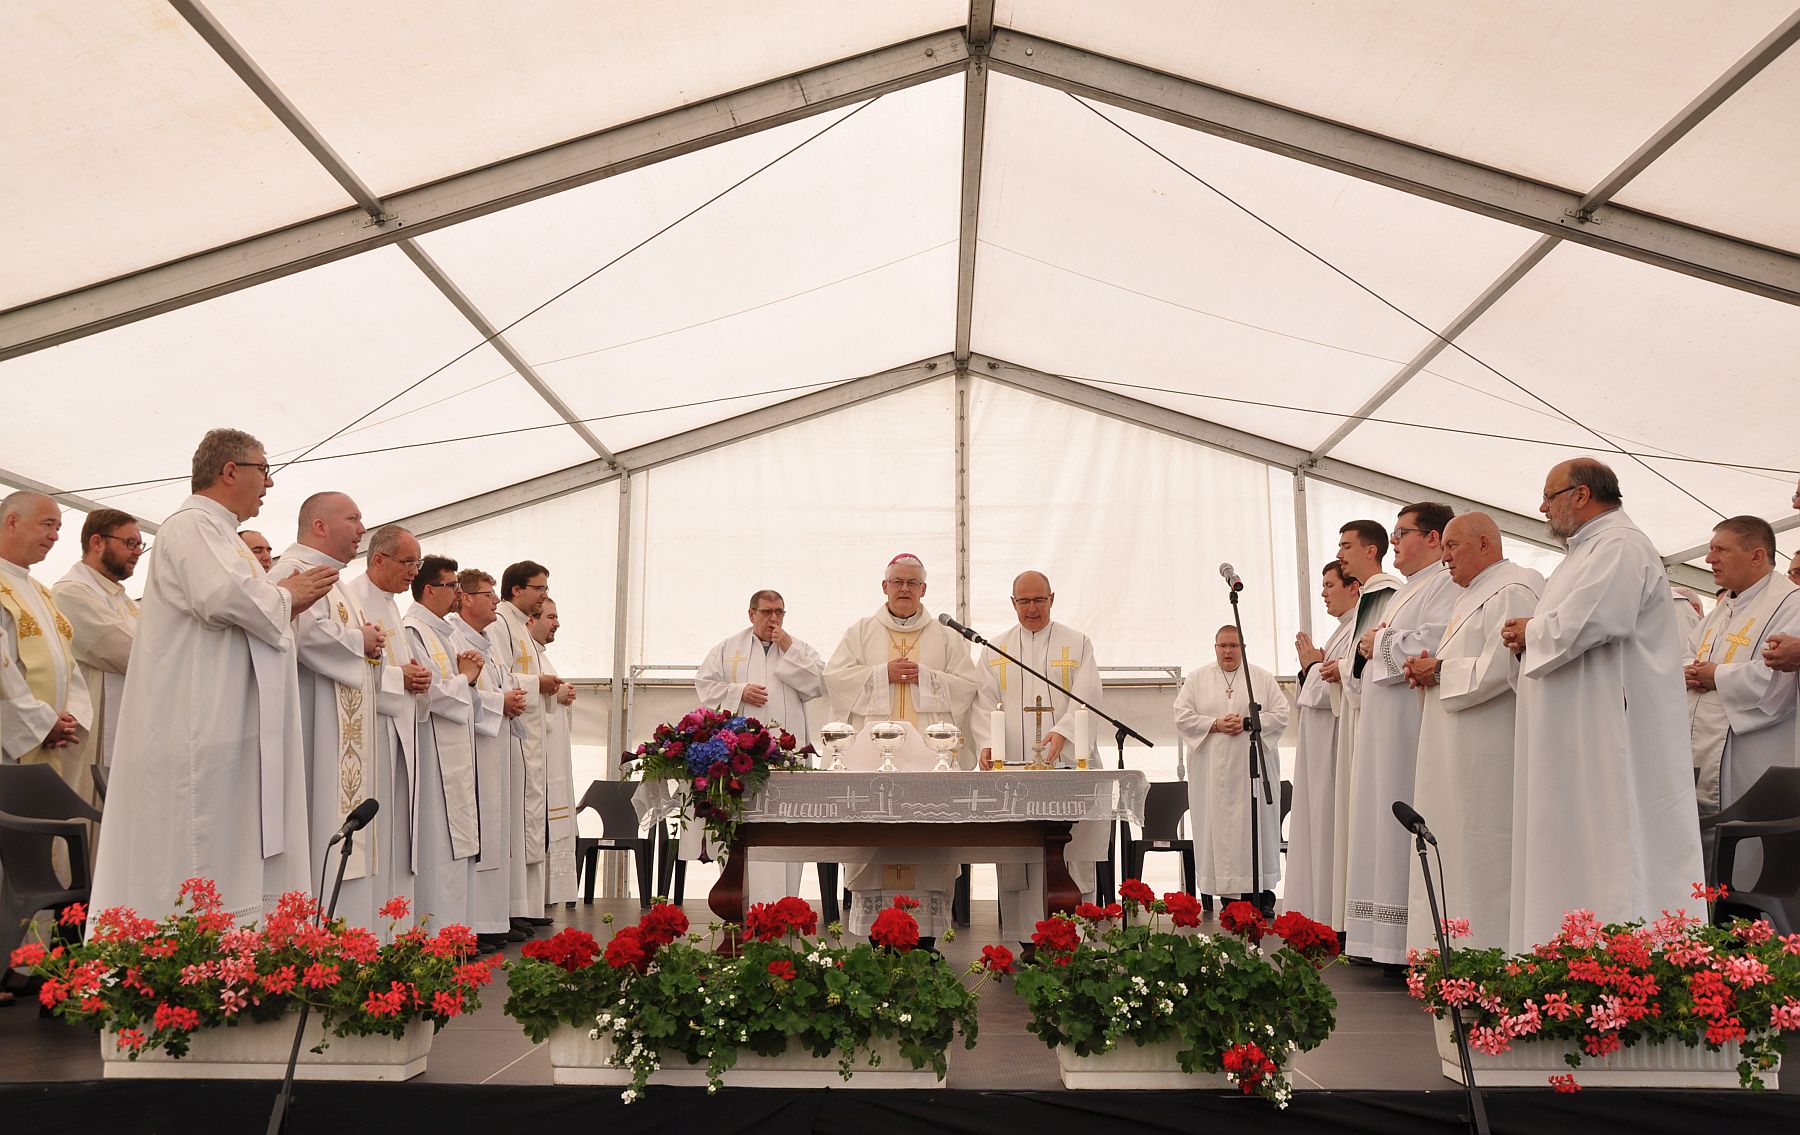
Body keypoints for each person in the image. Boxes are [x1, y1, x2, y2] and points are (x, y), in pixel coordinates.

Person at [89, 429, 334, 920]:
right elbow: (219, 598)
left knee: (227, 841)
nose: (268, 484)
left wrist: (280, 595)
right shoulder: (192, 525)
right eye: (264, 471)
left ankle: (234, 952)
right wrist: (289, 594)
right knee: (198, 841)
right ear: (230, 472)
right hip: (196, 717)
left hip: (224, 715)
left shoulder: (223, 533)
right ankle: (197, 953)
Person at [1502, 458, 1704, 951]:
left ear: (1581, 495)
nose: (1542, 507)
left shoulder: (1620, 544)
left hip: (1611, 725)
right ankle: (1567, 950)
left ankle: (1620, 954)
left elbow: (1598, 618)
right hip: (1577, 723)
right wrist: (1530, 633)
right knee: (1573, 836)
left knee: (1614, 837)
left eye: (1549, 496)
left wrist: (1532, 630)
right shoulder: (1583, 551)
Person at [1404, 514, 1543, 951]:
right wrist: (1428, 671)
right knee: (1458, 846)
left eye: (1452, 546)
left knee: (1486, 853)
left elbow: (1506, 666)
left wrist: (1440, 670)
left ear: (1485, 544)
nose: (1444, 557)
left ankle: (1490, 954)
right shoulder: (1471, 595)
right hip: (1456, 751)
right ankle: (1456, 956)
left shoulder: (1514, 589)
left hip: (1491, 748)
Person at [824, 554, 979, 943]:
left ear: (924, 589)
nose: (905, 589)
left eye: (913, 583)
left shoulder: (946, 636)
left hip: (930, 762)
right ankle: (876, 941)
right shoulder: (860, 631)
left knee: (928, 849)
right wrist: (882, 674)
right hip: (872, 764)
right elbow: (835, 680)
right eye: (898, 582)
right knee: (874, 846)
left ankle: (927, 943)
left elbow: (968, 687)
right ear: (885, 587)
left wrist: (924, 678)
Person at [270, 493, 398, 933]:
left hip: (343, 724)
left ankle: (352, 936)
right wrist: (357, 641)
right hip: (314, 723)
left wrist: (369, 644)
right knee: (319, 819)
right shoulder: (290, 572)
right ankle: (318, 936)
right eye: (353, 518)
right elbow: (303, 638)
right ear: (320, 525)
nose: (362, 528)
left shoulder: (337, 582)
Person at [1344, 503, 1458, 965]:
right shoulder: (1406, 591)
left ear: (1433, 538)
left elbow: (1437, 641)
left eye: (1402, 533)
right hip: (1382, 725)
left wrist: (1379, 643)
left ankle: (1403, 944)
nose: (1393, 542)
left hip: (1407, 727)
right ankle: (1379, 942)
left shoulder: (1446, 584)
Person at [971, 571, 1108, 943]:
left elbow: (1088, 695)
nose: (1032, 608)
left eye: (1039, 600)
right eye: (1024, 601)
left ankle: (1074, 933)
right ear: (1012, 603)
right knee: (1020, 853)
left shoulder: (1077, 643)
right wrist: (986, 742)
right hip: (1014, 769)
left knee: (1070, 851)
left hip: (1065, 767)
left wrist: (1064, 731)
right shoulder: (995, 648)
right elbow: (982, 702)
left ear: (1052, 598)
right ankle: (1025, 937)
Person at [1685, 517, 1800, 881]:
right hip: (1701, 743)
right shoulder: (1722, 607)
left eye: (1721, 550)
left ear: (1757, 555)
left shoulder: (1789, 603)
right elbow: (1689, 654)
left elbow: (1776, 679)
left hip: (1750, 752)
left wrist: (1715, 675)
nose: (1709, 559)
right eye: (1710, 549)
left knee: (1743, 858)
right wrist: (1689, 671)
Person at [694, 589, 826, 902]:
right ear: (751, 614)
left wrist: (787, 649)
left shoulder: (798, 648)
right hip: (743, 759)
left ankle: (785, 904)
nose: (774, 618)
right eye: (767, 612)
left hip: (788, 755)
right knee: (746, 825)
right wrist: (738, 692)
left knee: (786, 826)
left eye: (779, 612)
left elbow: (817, 684)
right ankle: (742, 902)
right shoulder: (727, 648)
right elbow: (704, 685)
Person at [344, 524, 433, 935]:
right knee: (375, 839)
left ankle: (393, 928)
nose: (415, 571)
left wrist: (414, 676)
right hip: (369, 734)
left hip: (398, 731)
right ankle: (370, 931)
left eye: (417, 562)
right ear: (379, 559)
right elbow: (355, 670)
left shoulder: (390, 603)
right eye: (408, 562)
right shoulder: (354, 599)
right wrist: (402, 677)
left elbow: (389, 663)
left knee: (396, 838)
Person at [1172, 625, 1290, 912]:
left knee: (1256, 829)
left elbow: (1281, 713)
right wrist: (1215, 724)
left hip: (1253, 772)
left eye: (1233, 646)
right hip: (1213, 777)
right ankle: (1229, 899)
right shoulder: (1198, 679)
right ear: (1215, 647)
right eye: (1222, 646)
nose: (1228, 651)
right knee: (1221, 831)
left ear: (1243, 647)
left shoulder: (1260, 678)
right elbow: (1182, 715)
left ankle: (1261, 896)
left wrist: (1248, 723)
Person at [1326, 520, 1402, 928]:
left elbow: (1373, 653)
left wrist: (1342, 666)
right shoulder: (1375, 595)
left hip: (1378, 714)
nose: (1340, 554)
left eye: (1346, 545)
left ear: (1371, 551)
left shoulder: (1385, 592)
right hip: (1361, 712)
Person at [403, 555, 485, 933]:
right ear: (430, 589)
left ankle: (457, 930)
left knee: (458, 843)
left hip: (453, 751)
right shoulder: (413, 631)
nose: (457, 593)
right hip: (432, 752)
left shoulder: (441, 632)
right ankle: (436, 931)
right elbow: (429, 694)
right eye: (452, 586)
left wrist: (468, 676)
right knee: (438, 844)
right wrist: (466, 678)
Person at [450, 569, 528, 950]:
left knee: (496, 830)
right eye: (487, 594)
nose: (495, 601)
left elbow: (495, 681)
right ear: (464, 598)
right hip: (473, 746)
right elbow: (459, 691)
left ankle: (494, 917)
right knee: (479, 832)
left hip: (495, 741)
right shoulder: (452, 637)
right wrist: (501, 701)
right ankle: (475, 922)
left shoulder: (487, 639)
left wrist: (509, 696)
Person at [1282, 561, 1360, 920]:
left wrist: (1313, 665)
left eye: (1330, 585)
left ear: (1353, 588)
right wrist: (1310, 666)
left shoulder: (1357, 627)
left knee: (1329, 828)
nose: (1324, 593)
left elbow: (1323, 691)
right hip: (1317, 744)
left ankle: (1329, 912)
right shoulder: (1340, 631)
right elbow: (1311, 690)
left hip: (1333, 744)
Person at [51, 509, 142, 806]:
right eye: (130, 543)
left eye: (140, 544)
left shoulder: (125, 601)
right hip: (91, 729)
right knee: (90, 812)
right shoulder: (71, 592)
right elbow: (130, 653)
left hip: (129, 725)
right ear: (97, 542)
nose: (138, 552)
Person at [487, 560, 554, 933]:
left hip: (526, 732)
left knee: (526, 819)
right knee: (514, 820)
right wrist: (536, 684)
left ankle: (524, 904)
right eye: (539, 588)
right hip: (510, 729)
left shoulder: (522, 627)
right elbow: (498, 674)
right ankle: (511, 908)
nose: (544, 595)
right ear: (517, 589)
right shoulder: (500, 623)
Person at [0, 491, 90, 766]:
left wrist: (70, 716)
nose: (55, 536)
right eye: (47, 524)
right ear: (13, 521)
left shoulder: (42, 593)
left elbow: (67, 662)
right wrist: (41, 722)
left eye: (58, 528)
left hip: (48, 733)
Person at [530, 597, 580, 908]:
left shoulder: (541, 657)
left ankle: (545, 896)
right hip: (537, 758)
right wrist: (554, 696)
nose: (556, 623)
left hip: (552, 756)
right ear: (530, 620)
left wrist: (561, 698)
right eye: (550, 616)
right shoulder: (528, 656)